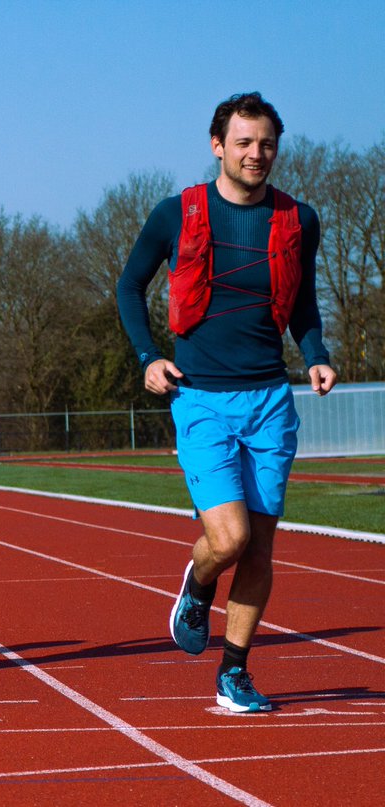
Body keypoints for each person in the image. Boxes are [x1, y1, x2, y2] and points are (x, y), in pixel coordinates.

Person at [117, 93, 337, 713]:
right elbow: (130, 285)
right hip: (202, 398)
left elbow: (304, 304)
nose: (255, 154)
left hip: (270, 399)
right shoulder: (176, 212)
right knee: (229, 537)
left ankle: (234, 673)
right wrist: (147, 357)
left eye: (266, 143)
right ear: (218, 145)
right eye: (243, 142)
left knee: (261, 547)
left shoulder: (300, 219)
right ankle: (200, 578)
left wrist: (315, 353)